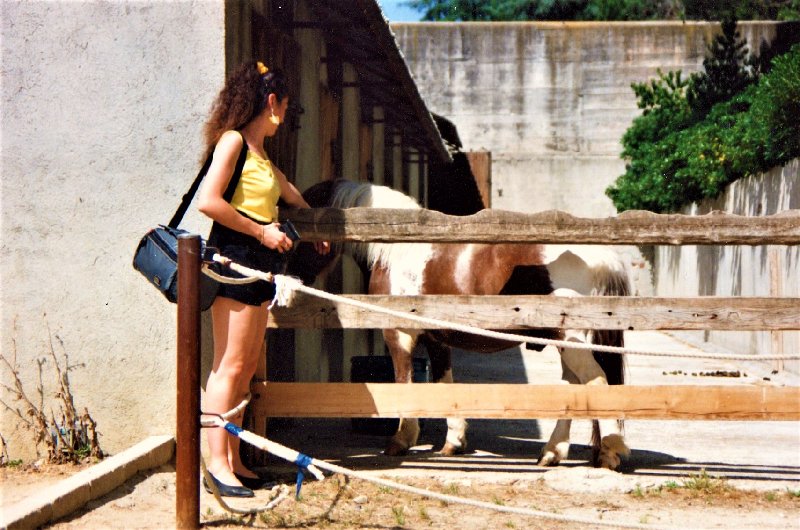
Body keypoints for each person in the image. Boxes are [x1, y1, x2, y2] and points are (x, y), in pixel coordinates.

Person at [197, 61, 329, 497]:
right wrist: (261, 232)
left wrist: (311, 229)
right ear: (271, 103)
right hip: (235, 257)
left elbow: (290, 194)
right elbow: (209, 203)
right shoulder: (232, 142)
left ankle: (234, 459)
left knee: (246, 366)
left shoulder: (262, 157)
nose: (286, 118)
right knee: (229, 365)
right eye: (286, 108)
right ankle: (216, 464)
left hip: (260, 263)